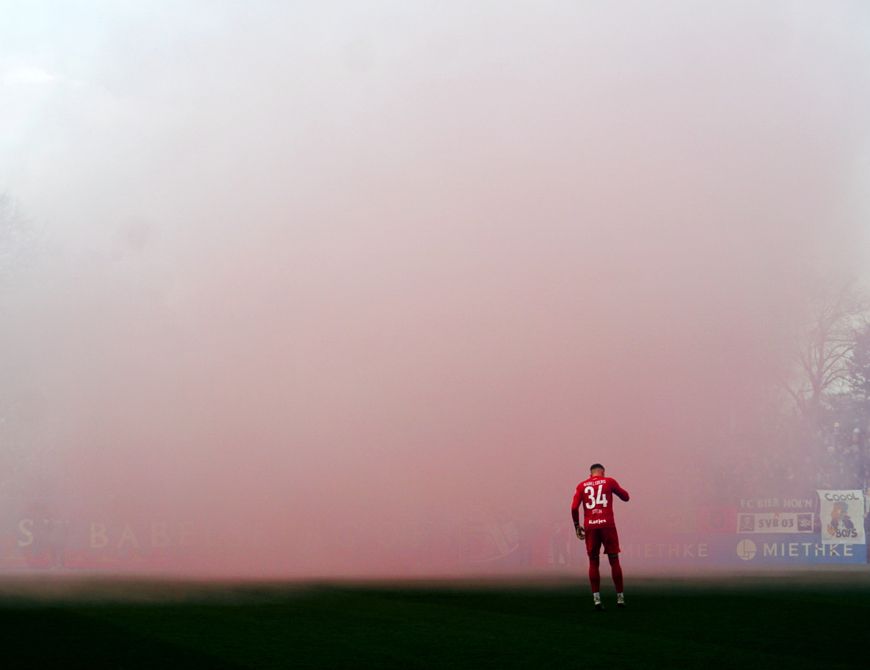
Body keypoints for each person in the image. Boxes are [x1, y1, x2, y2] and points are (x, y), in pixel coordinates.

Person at [571, 463, 630, 610]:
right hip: (607, 525)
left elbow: (573, 507)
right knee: (614, 560)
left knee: (593, 561)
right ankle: (620, 599)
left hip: (590, 526)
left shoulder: (581, 485)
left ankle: (597, 600)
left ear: (590, 474)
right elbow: (626, 497)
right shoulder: (609, 481)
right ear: (603, 473)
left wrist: (577, 526)